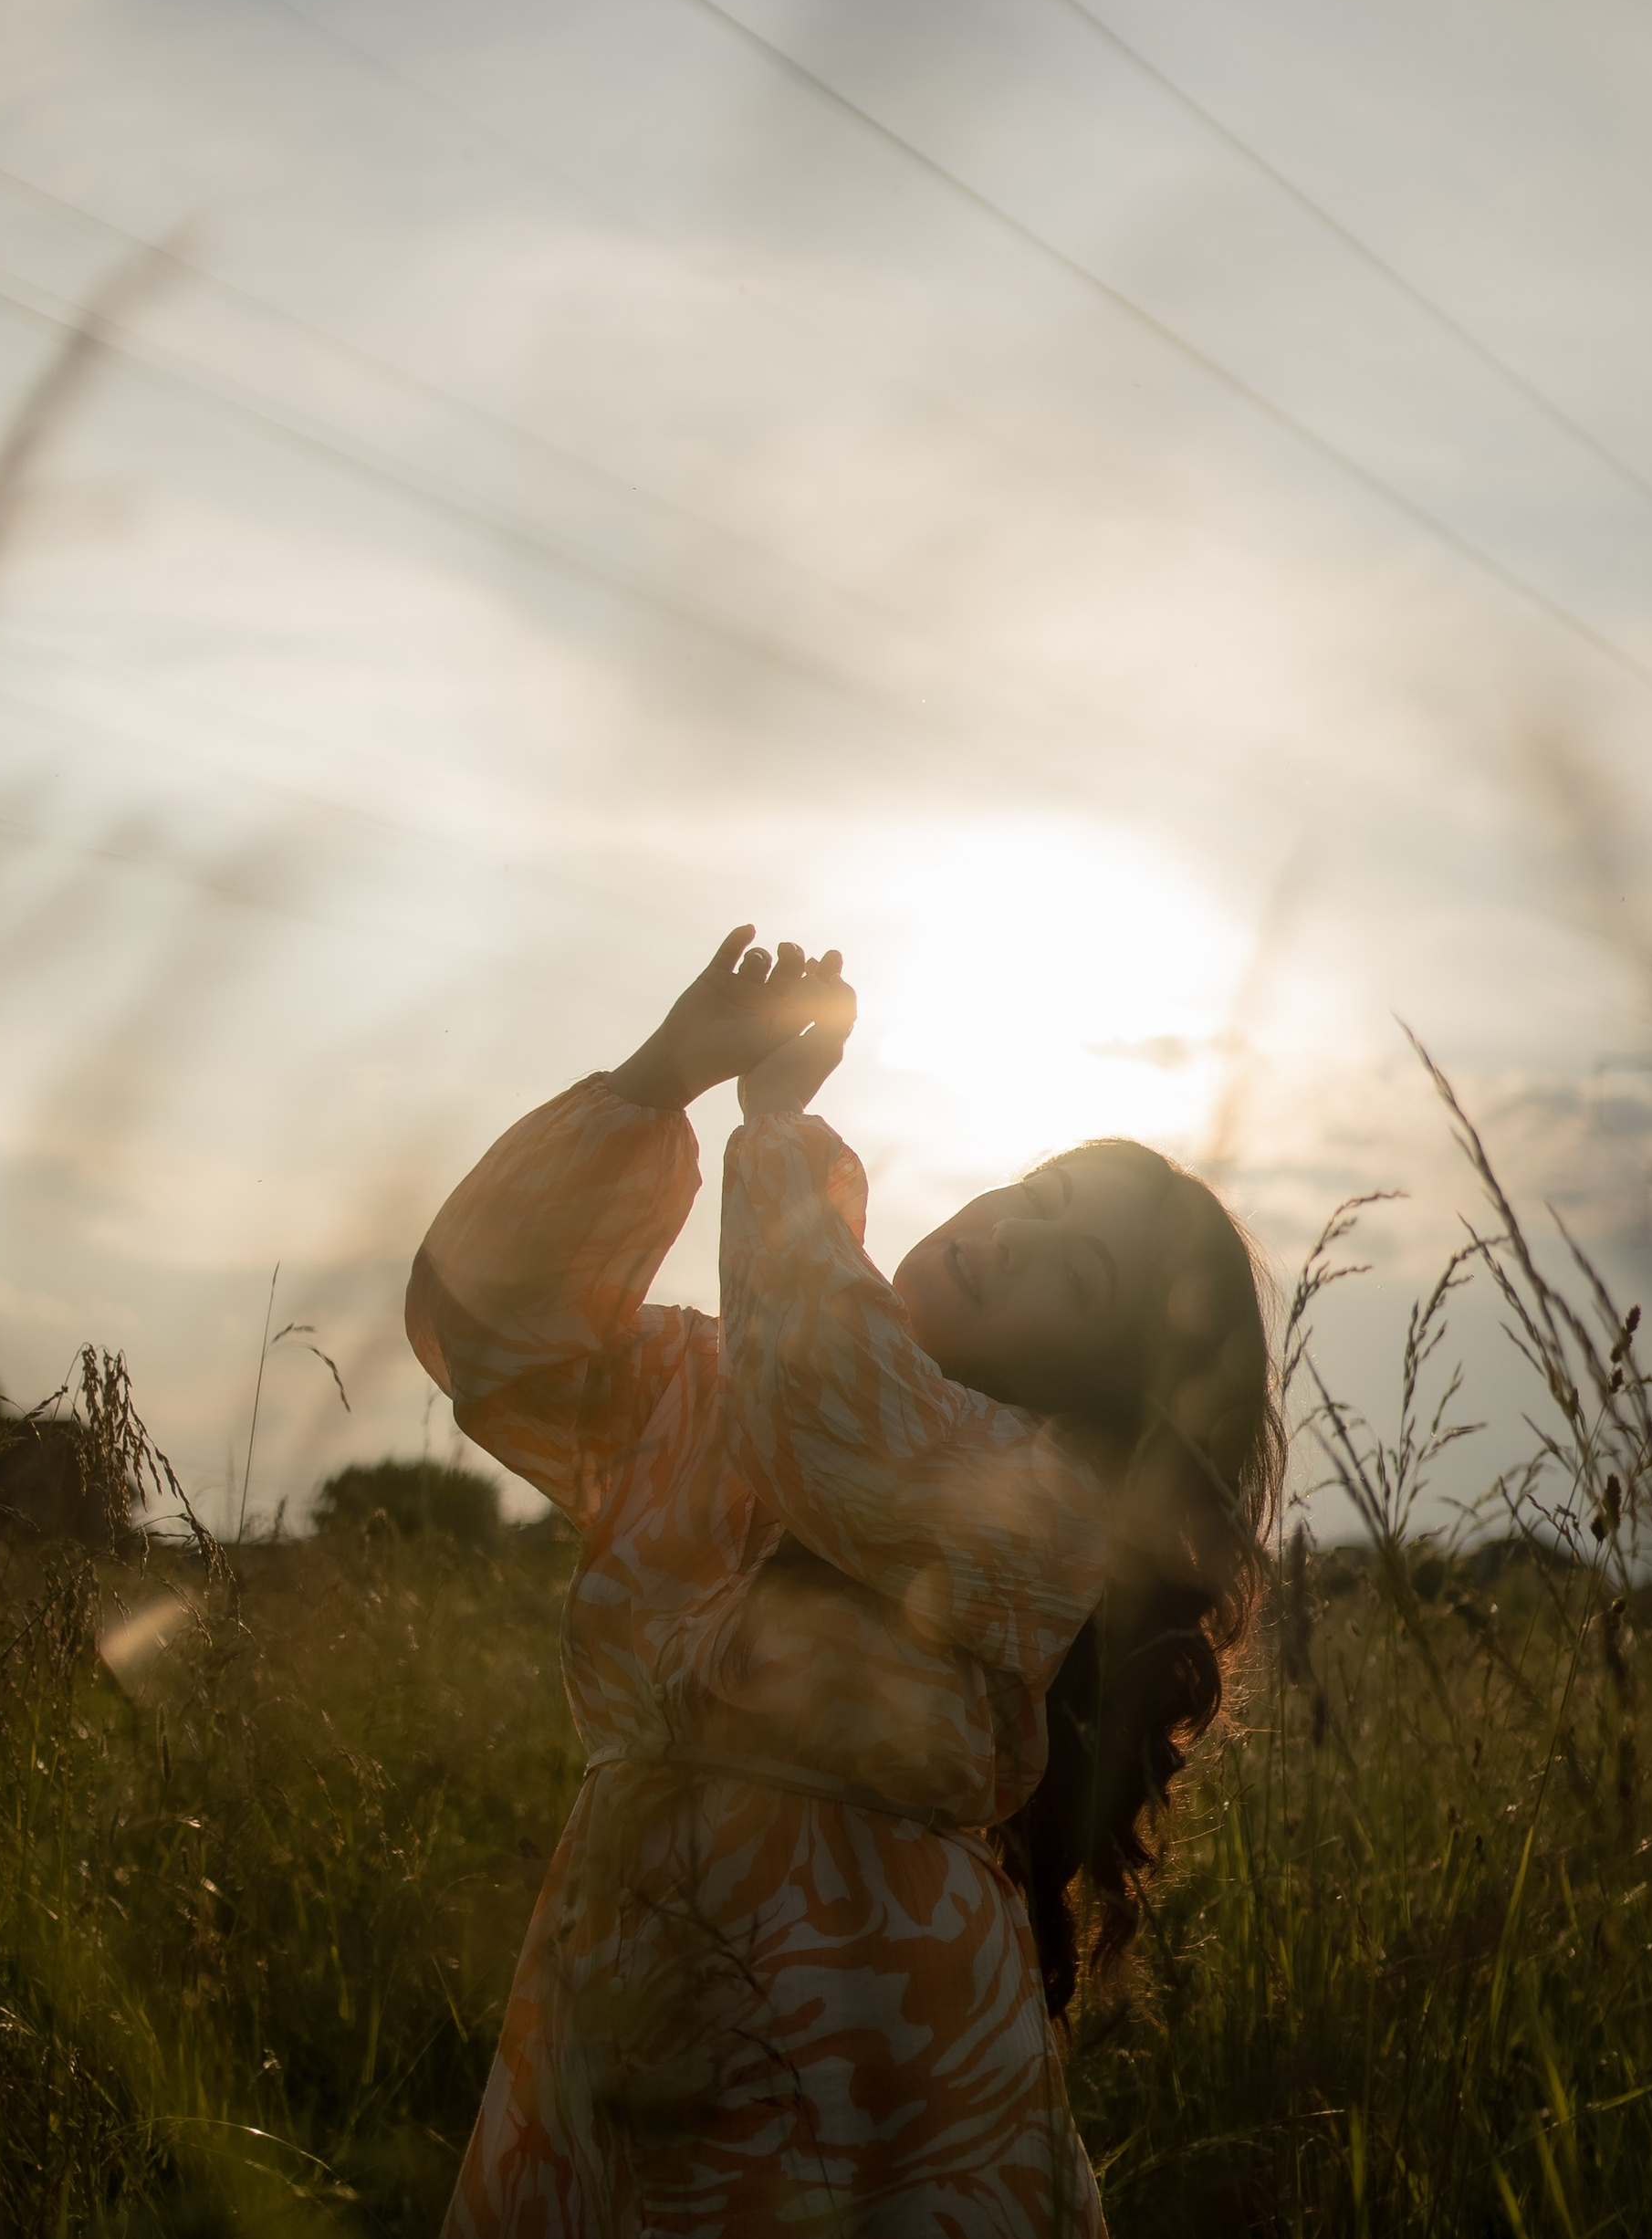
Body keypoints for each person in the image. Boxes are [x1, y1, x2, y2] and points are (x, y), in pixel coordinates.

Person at [407, 927, 1281, 2238]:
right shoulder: (710, 1386)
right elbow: (484, 1323)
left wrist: (780, 1139)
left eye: (1078, 1274)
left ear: (1107, 1396)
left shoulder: (1047, 1501)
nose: (1013, 1237)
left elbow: (839, 1424)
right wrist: (660, 1079)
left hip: (871, 2059)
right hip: (619, 1989)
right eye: (1034, 1194)